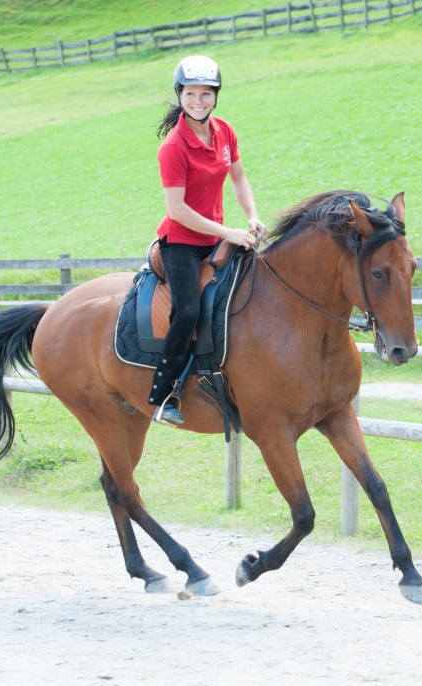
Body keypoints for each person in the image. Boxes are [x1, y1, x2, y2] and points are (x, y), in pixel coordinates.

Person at [149, 55, 266, 427]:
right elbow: (178, 210)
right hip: (181, 241)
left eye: (206, 94)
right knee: (187, 310)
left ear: (215, 96)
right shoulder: (172, 148)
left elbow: (239, 178)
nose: (198, 100)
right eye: (191, 94)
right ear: (179, 95)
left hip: (216, 234)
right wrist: (229, 233)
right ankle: (163, 393)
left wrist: (251, 215)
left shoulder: (225, 132)